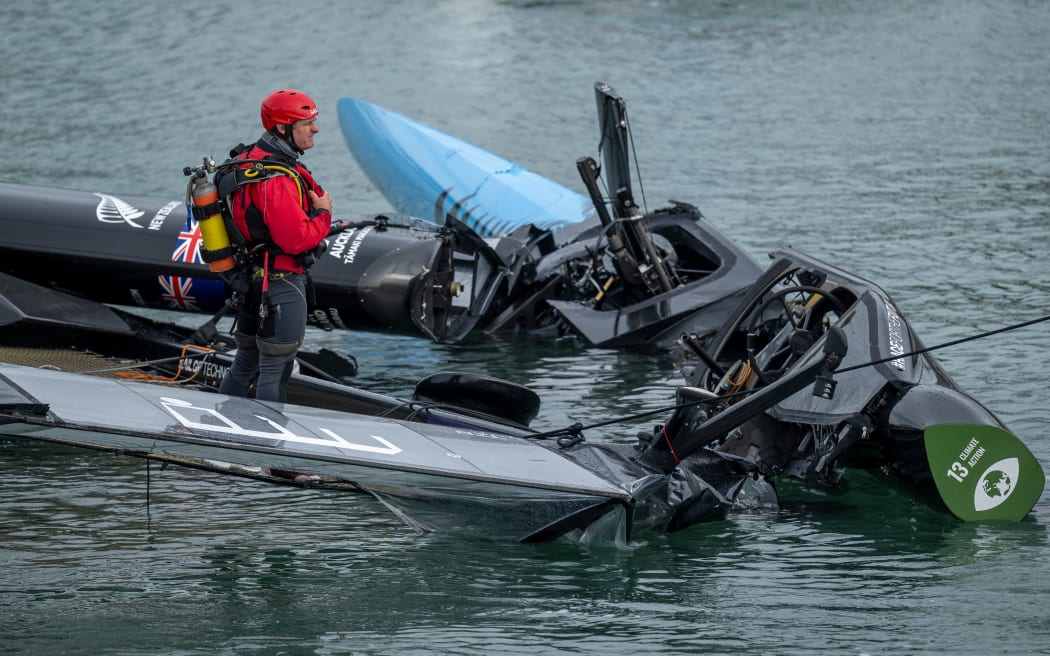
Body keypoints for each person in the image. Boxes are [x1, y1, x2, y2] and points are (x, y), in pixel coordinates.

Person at [218, 89, 333, 403]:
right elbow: (294, 239)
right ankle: (267, 445)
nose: (315, 129)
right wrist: (324, 213)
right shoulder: (278, 179)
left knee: (245, 364)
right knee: (275, 370)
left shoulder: (245, 161)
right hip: (280, 284)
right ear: (282, 128)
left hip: (250, 281)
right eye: (306, 122)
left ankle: (221, 430)